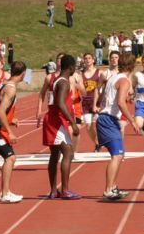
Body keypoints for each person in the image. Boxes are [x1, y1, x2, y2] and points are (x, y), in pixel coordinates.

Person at [96, 53, 140, 200]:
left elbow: (108, 97)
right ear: (132, 65)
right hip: (108, 119)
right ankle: (108, 189)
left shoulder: (112, 78)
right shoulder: (124, 80)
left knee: (119, 155)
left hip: (107, 117)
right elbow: (121, 102)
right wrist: (132, 120)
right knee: (117, 155)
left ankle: (113, 187)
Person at [0, 61, 27, 203]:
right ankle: (4, 193)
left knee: (10, 158)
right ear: (23, 74)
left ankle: (5, 192)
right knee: (10, 158)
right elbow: (0, 112)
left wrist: (10, 120)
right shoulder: (11, 89)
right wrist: (10, 132)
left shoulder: (4, 83)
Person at [43, 54, 81, 199]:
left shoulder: (56, 80)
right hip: (57, 121)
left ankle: (53, 190)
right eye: (75, 67)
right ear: (71, 67)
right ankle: (65, 190)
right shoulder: (64, 82)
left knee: (54, 155)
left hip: (52, 119)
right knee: (68, 153)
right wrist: (72, 122)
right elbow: (60, 103)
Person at [80, 53, 101, 151]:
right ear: (83, 61)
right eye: (86, 58)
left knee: (99, 124)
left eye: (89, 58)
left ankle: (103, 141)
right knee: (88, 126)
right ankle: (97, 144)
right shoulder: (81, 74)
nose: (87, 60)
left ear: (93, 60)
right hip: (85, 102)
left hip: (97, 102)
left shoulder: (99, 72)